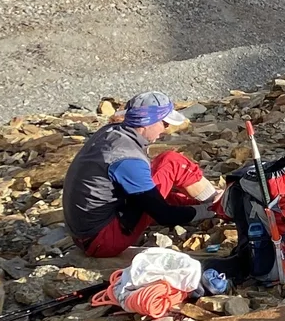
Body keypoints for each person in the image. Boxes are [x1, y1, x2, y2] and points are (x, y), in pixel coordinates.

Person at [62, 92, 219, 257]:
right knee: (172, 162)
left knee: (156, 179)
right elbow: (165, 216)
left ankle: (213, 201)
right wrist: (206, 211)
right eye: (164, 123)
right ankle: (218, 205)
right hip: (102, 241)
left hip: (86, 234)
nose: (166, 130)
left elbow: (143, 191)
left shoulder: (112, 132)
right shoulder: (127, 159)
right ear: (146, 122)